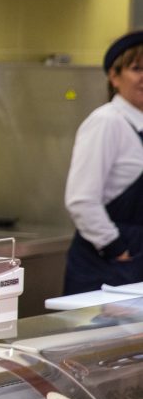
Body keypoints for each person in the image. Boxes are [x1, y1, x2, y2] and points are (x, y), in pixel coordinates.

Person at [63, 30, 143, 294]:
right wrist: (116, 248)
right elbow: (81, 199)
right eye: (137, 69)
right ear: (114, 76)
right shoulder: (106, 122)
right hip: (107, 264)